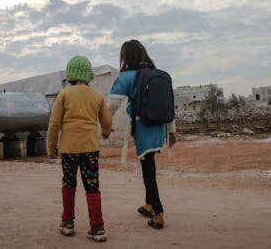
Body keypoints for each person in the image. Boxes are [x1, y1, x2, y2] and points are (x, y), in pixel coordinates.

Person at [108, 39, 176, 230]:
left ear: (125, 57)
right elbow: (168, 104)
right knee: (149, 164)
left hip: (144, 128)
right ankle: (148, 205)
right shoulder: (158, 75)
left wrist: (105, 125)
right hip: (159, 128)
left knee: (148, 170)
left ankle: (159, 213)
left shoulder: (127, 77)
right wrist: (171, 131)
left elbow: (112, 105)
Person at [47, 55, 112, 242]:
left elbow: (54, 124)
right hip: (90, 149)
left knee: (68, 182)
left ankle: (67, 222)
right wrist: (106, 133)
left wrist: (51, 148)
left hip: (69, 149)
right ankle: (97, 227)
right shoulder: (97, 95)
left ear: (70, 74)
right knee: (92, 185)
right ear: (88, 75)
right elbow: (106, 121)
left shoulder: (64, 94)